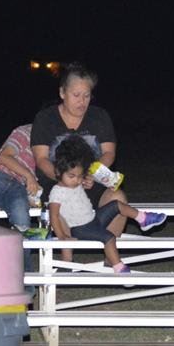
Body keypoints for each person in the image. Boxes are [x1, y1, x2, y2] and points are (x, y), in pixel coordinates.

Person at [32, 62, 130, 239]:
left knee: (118, 197)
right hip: (57, 186)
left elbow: (109, 153)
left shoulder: (99, 117)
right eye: (76, 95)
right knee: (59, 204)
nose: (82, 101)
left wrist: (91, 174)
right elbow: (41, 159)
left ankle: (111, 257)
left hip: (92, 183)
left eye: (87, 95)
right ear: (62, 93)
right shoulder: (46, 118)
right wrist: (68, 179)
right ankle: (66, 259)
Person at [47, 135, 166, 272]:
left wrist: (94, 180)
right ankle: (118, 267)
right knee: (109, 237)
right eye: (72, 176)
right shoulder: (57, 192)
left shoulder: (77, 183)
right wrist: (62, 236)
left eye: (80, 176)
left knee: (117, 204)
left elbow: (84, 181)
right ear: (57, 172)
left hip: (93, 219)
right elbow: (54, 216)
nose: (77, 180)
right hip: (80, 229)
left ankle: (143, 219)